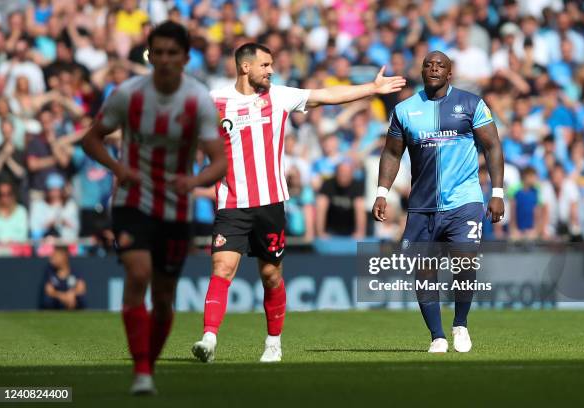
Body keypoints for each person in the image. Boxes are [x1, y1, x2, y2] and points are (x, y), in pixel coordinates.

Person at [191, 42, 406, 363]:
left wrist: (371, 89)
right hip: (232, 203)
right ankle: (209, 338)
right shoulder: (214, 101)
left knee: (271, 276)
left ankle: (273, 342)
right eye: (265, 65)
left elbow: (325, 96)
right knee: (222, 268)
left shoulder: (278, 96)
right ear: (245, 67)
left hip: (271, 204)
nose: (271, 70)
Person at [81, 21, 226, 395]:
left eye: (171, 53)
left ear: (185, 57)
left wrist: (194, 182)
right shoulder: (128, 94)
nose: (163, 60)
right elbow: (91, 139)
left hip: (176, 207)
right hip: (132, 201)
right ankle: (142, 373)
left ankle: (148, 366)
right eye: (157, 53)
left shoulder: (197, 100)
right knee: (138, 273)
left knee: (163, 299)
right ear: (150, 55)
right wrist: (118, 168)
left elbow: (218, 161)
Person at [373, 51, 504, 353]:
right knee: (424, 271)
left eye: (440, 65)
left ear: (450, 74)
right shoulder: (405, 110)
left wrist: (497, 193)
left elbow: (493, 146)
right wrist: (382, 192)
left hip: (465, 201)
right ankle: (437, 336)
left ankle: (460, 324)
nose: (433, 68)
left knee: (465, 262)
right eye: (428, 64)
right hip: (422, 205)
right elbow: (392, 153)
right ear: (421, 71)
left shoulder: (472, 105)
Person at [41, 245, 87, 310]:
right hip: (57, 303)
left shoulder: (74, 271)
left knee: (81, 298)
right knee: (48, 300)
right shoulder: (49, 272)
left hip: (72, 302)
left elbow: (81, 288)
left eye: (56, 256)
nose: (52, 258)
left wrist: (72, 294)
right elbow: (49, 291)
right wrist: (62, 296)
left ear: (64, 256)